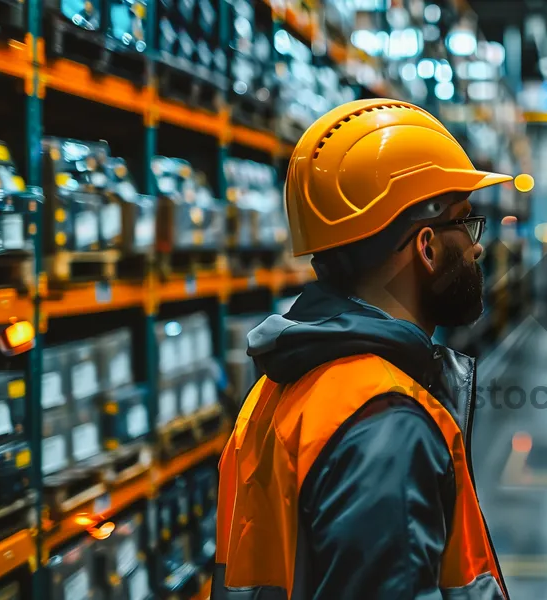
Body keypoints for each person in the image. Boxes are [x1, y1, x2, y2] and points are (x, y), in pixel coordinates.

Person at [214, 99, 517, 600]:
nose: (477, 245)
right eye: (464, 222)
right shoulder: (386, 425)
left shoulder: (282, 387)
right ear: (426, 246)